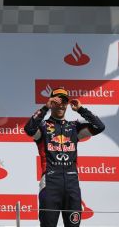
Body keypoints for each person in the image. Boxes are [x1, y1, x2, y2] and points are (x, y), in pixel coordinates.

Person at [24, 88, 105, 227]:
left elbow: (99, 126)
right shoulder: (43, 127)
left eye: (64, 101)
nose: (61, 104)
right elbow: (29, 129)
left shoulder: (74, 127)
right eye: (57, 101)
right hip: (50, 184)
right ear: (51, 102)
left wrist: (81, 109)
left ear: (67, 104)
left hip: (72, 184)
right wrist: (45, 107)